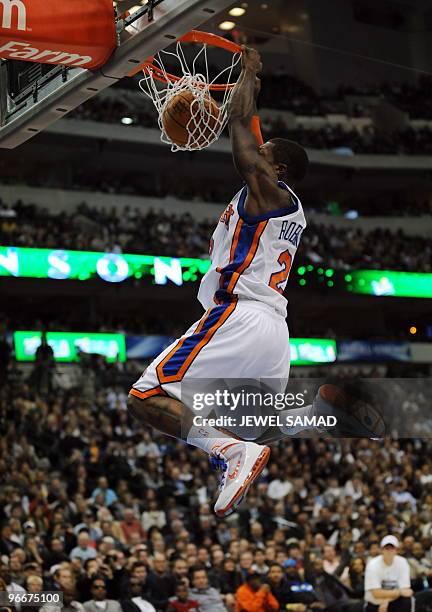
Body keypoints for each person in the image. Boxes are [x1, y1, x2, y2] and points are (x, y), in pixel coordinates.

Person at [127, 45, 310, 518]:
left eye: (265, 155)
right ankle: (231, 452)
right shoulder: (278, 203)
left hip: (239, 315)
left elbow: (243, 137)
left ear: (279, 170)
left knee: (146, 397)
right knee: (203, 419)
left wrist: (246, 73)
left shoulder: (270, 191)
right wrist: (251, 86)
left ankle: (231, 454)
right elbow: (250, 128)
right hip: (272, 335)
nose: (256, 152)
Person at [364, 535, 414, 611]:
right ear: (381, 550)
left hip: (394, 600)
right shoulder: (372, 564)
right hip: (375, 603)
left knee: (407, 600)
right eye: (386, 548)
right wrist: (400, 592)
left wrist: (386, 601)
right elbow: (376, 593)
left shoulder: (402, 562)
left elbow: (406, 590)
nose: (389, 551)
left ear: (396, 550)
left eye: (392, 548)